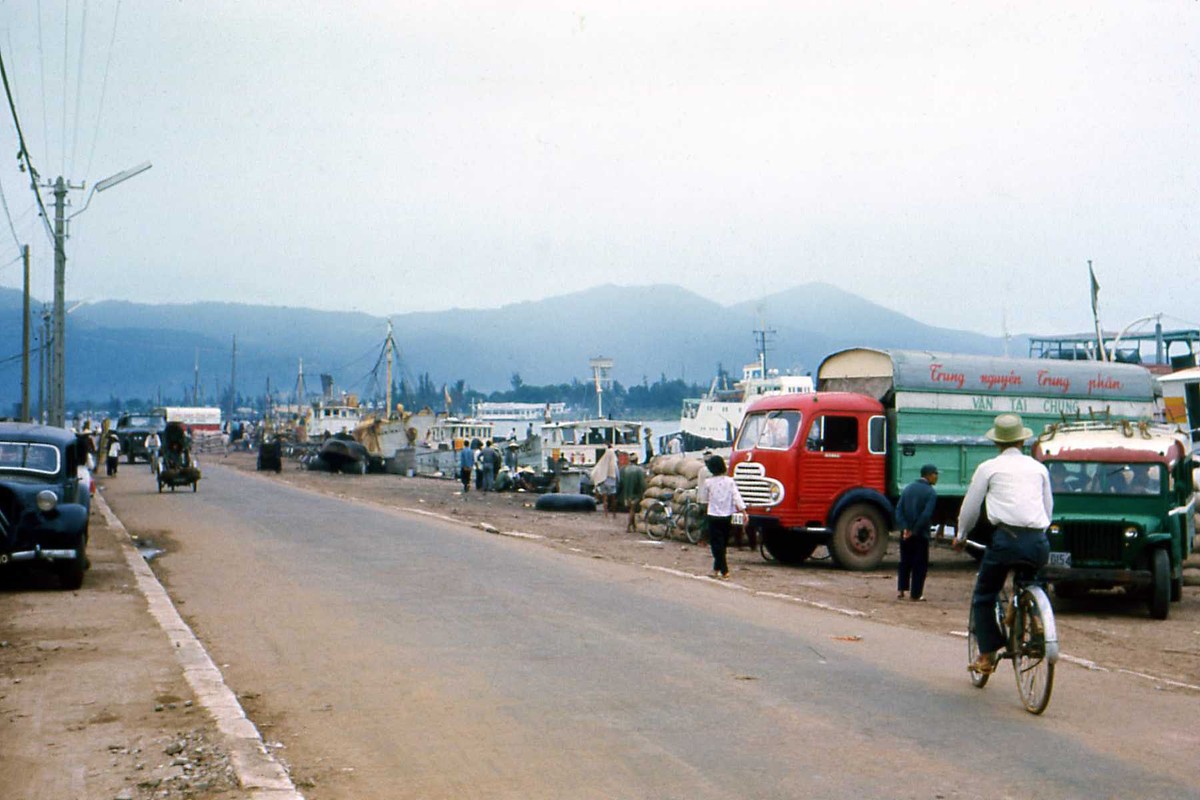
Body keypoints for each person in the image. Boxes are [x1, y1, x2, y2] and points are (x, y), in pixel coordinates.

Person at [953, 413, 1052, 675]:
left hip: (1006, 540)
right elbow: (1048, 509)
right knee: (1032, 577)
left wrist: (961, 535)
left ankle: (986, 655)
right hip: (1038, 541)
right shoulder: (1039, 468)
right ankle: (1034, 616)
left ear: (997, 443)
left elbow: (970, 508)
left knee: (984, 595)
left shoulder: (988, 468)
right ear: (1022, 441)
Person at [895, 464, 939, 601]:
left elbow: (899, 510)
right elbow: (926, 515)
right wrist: (914, 530)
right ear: (929, 475)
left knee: (905, 561)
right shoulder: (931, 492)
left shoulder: (908, 489)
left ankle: (902, 590)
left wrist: (905, 528)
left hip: (905, 533)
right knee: (920, 564)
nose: (937, 477)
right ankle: (916, 594)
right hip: (921, 534)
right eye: (935, 474)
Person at [702, 454, 746, 580]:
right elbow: (736, 496)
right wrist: (744, 512)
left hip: (713, 515)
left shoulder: (708, 482)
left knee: (716, 545)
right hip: (727, 516)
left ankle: (724, 570)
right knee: (723, 543)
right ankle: (716, 569)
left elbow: (705, 499)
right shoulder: (730, 481)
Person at [618, 454, 647, 532]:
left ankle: (634, 526)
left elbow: (620, 483)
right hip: (636, 494)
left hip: (626, 494)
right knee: (632, 510)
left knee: (631, 509)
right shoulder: (639, 470)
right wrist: (644, 492)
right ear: (637, 460)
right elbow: (642, 484)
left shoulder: (623, 469)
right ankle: (629, 526)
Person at [590, 444, 619, 515]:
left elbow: (596, 471)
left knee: (604, 500)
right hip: (612, 482)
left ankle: (605, 514)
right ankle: (614, 514)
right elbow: (617, 474)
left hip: (604, 482)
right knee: (613, 499)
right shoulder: (614, 464)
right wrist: (618, 481)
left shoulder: (603, 462)